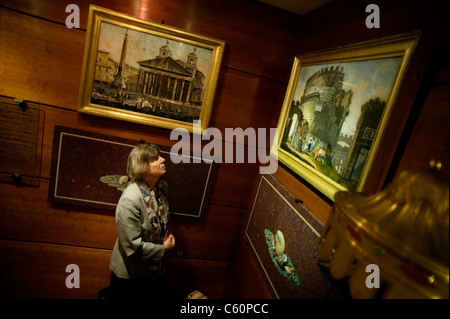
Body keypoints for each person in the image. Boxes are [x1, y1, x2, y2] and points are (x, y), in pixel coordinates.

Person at [101, 142, 175, 299]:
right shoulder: (131, 198)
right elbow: (132, 248)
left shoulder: (161, 188)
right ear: (142, 166)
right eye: (154, 159)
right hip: (130, 277)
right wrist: (163, 248)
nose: (162, 160)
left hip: (153, 272)